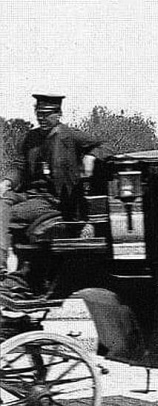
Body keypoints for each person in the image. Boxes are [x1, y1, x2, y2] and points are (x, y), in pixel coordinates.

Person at [0, 94, 111, 277]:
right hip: (28, 193)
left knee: (9, 214)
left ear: (58, 113)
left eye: (46, 114)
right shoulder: (31, 137)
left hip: (52, 199)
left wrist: (91, 156)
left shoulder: (69, 136)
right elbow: (19, 165)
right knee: (2, 202)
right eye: (38, 113)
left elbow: (105, 146)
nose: (41, 118)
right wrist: (7, 182)